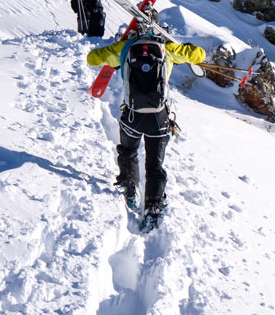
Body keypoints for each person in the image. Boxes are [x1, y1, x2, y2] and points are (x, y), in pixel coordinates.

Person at [86, 27, 206, 218]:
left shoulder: (126, 47)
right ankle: (154, 205)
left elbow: (92, 59)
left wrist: (118, 47)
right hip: (158, 118)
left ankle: (128, 186)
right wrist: (183, 47)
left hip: (132, 116)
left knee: (128, 151)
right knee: (154, 165)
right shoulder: (167, 48)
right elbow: (199, 55)